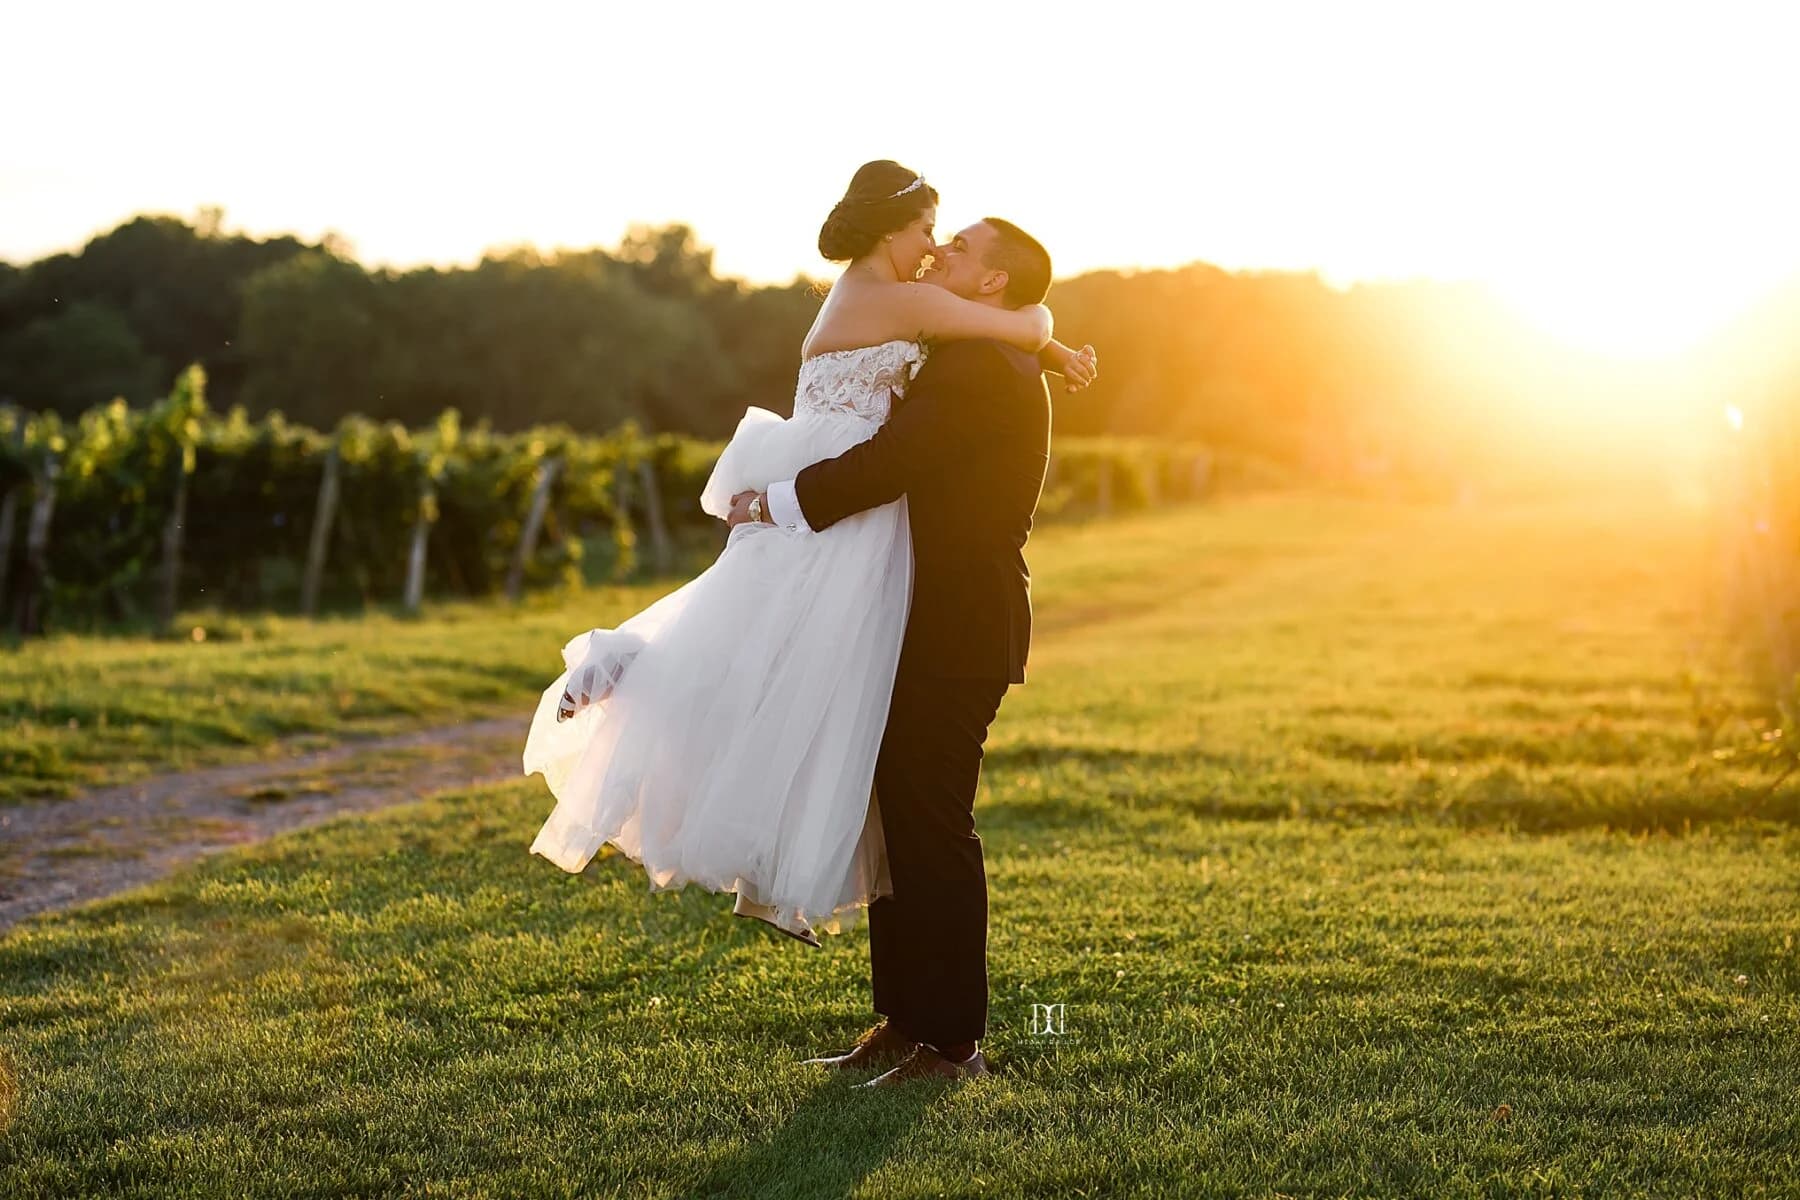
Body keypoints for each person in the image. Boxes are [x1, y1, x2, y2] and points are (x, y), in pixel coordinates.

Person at [521, 160, 1096, 954]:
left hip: (849, 504)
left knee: (779, 660)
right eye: (929, 231)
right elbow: (1021, 324)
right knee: (786, 666)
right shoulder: (910, 306)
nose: (934, 249)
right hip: (839, 499)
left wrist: (1049, 346)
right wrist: (1051, 341)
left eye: (948, 240)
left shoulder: (898, 308)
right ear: (889, 230)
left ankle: (934, 1032)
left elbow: (999, 337)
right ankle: (638, 675)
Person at [725, 213, 1063, 1085]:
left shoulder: (983, 369)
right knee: (901, 821)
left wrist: (776, 501)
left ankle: (952, 1045)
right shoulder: (966, 352)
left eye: (961, 247)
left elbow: (888, 463)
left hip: (960, 627)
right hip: (919, 623)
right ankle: (904, 1024)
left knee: (934, 825)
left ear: (992, 282)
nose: (940, 249)